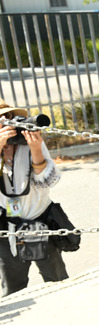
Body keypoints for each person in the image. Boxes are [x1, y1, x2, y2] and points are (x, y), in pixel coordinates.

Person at [0, 100, 66, 297]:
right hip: (7, 228)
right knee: (12, 289)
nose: (5, 120)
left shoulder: (28, 138)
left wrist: (36, 149)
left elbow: (48, 182)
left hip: (40, 223)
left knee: (57, 281)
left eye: (8, 116)